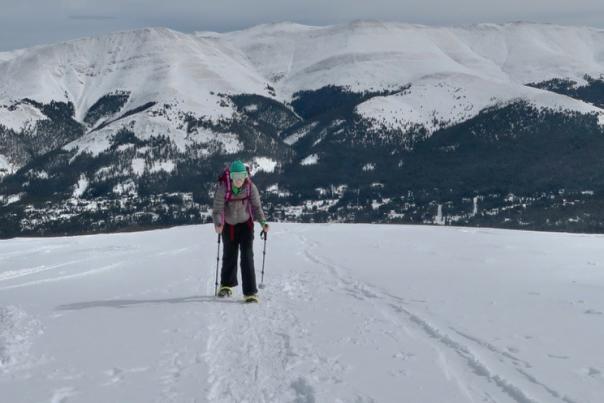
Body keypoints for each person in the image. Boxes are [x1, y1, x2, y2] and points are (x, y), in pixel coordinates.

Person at [212, 160, 269, 303]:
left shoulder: (251, 187)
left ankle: (250, 292)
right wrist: (218, 223)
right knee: (229, 255)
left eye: (241, 177)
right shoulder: (223, 188)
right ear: (231, 176)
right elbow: (217, 210)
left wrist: (263, 222)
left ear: (245, 176)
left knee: (247, 256)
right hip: (228, 226)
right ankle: (226, 286)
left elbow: (257, 207)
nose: (238, 180)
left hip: (245, 225)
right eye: (236, 177)